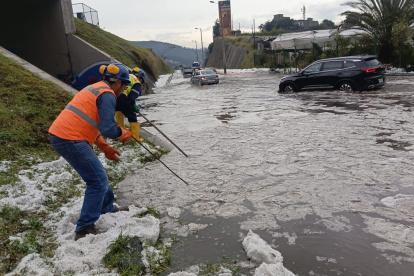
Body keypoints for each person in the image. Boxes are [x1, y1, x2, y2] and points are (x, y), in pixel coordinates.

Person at [48, 63, 133, 240]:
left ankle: (107, 207)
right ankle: (85, 227)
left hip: (66, 135)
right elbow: (108, 128)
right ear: (116, 82)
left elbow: (90, 122)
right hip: (70, 138)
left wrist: (104, 147)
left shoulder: (95, 88)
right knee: (97, 180)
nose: (123, 89)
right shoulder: (108, 94)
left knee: (98, 174)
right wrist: (122, 133)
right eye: (124, 85)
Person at [115, 73, 144, 142]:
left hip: (115, 96)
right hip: (123, 97)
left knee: (119, 112)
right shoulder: (137, 84)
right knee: (132, 117)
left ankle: (120, 135)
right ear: (140, 79)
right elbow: (131, 98)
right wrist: (133, 106)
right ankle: (135, 137)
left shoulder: (128, 75)